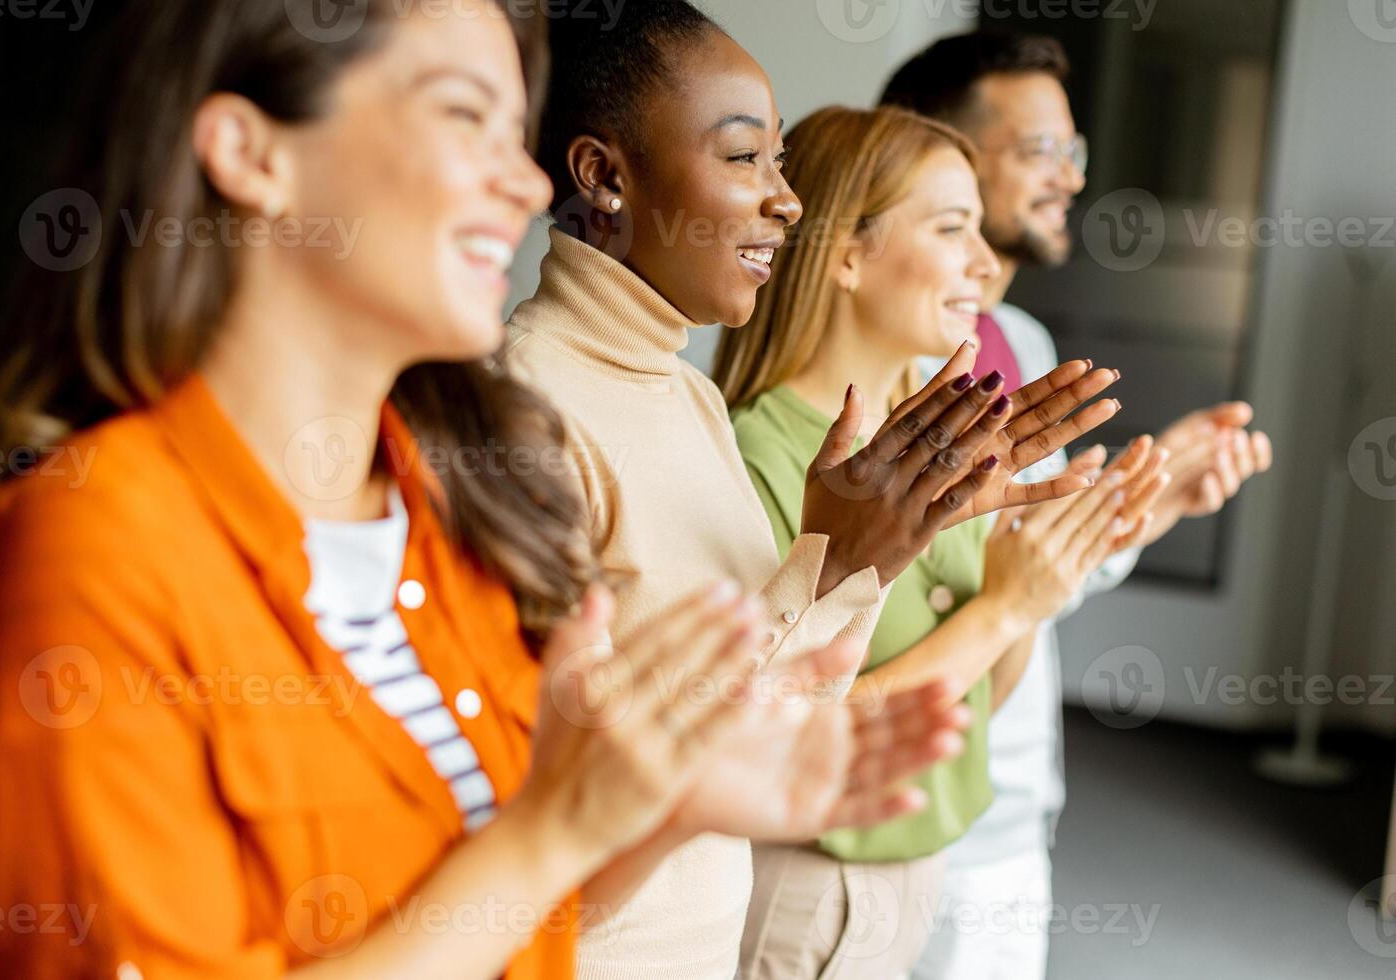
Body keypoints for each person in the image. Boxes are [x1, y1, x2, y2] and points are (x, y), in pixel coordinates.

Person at [0, 3, 971, 976]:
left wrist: (654, 809)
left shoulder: (438, 505)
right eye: (464, 116)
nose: (523, 185)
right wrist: (562, 829)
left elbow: (516, 920)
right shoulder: (96, 546)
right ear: (253, 153)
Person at [504, 5, 1116, 978]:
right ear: (604, 176)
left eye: (782, 165)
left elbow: (767, 710)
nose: (785, 203)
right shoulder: (528, 409)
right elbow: (562, 804)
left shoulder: (689, 398)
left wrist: (858, 560)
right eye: (745, 159)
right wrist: (865, 566)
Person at [716, 104, 1165, 979]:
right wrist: (1004, 607)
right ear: (846, 253)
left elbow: (976, 705)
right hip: (808, 881)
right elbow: (796, 731)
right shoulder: (758, 451)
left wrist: (1028, 585)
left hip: (919, 873)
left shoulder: (944, 442)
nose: (986, 263)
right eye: (953, 228)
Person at [881, 31, 1274, 979]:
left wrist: (1150, 500)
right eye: (1038, 151)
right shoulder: (889, 354)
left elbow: (1023, 566)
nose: (1069, 177)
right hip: (915, 813)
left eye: (1074, 151)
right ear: (942, 154)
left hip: (1014, 796)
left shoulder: (1017, 335)